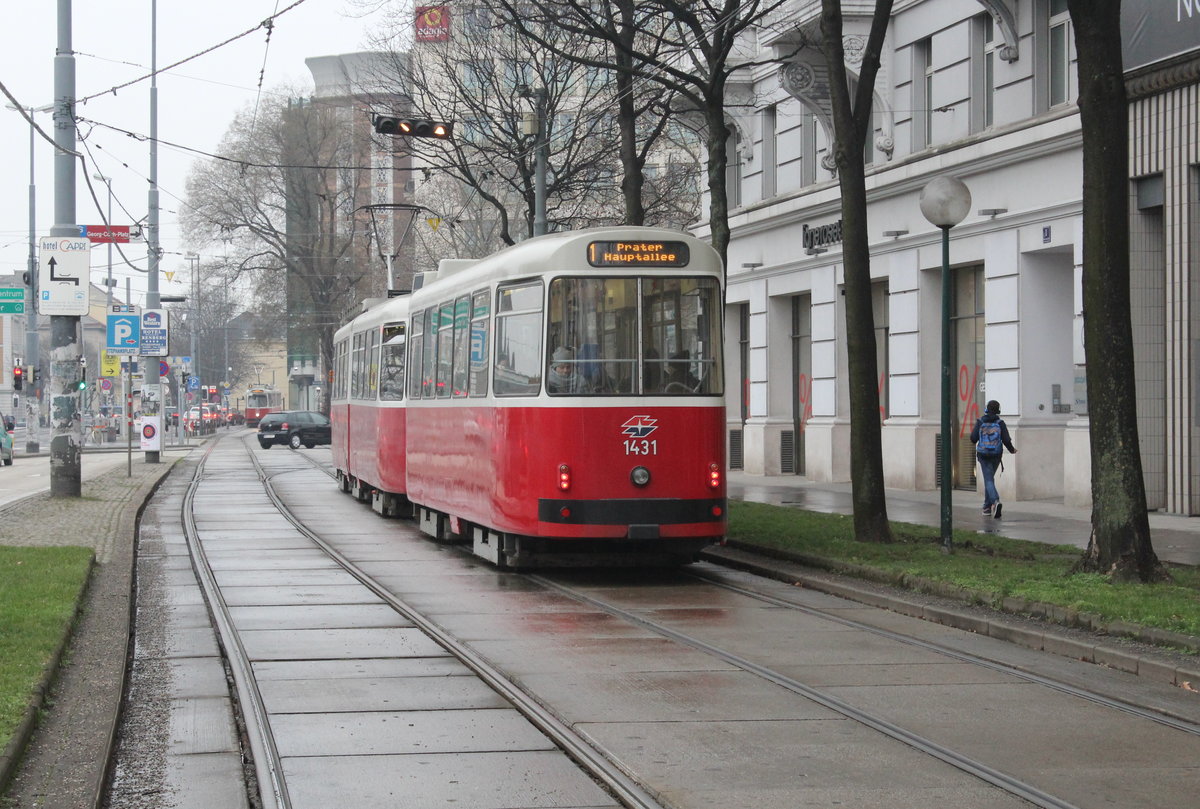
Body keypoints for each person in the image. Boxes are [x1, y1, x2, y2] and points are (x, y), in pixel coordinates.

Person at [970, 399, 1017, 518]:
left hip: (983, 455)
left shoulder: (980, 421)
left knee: (988, 480)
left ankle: (995, 501)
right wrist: (1012, 450)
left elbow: (973, 438)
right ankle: (986, 507)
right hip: (996, 455)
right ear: (998, 410)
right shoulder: (1000, 423)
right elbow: (1006, 440)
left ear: (986, 409)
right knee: (989, 479)